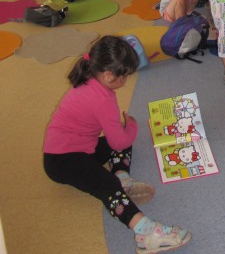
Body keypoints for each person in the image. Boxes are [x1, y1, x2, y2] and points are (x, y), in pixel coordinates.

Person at [43, 35, 191, 253]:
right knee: (107, 182)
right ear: (108, 75)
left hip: (80, 147)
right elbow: (119, 141)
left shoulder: (89, 78)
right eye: (125, 75)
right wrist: (132, 125)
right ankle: (145, 233)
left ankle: (123, 178)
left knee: (121, 141)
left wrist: (124, 130)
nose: (127, 79)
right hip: (62, 161)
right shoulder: (103, 99)